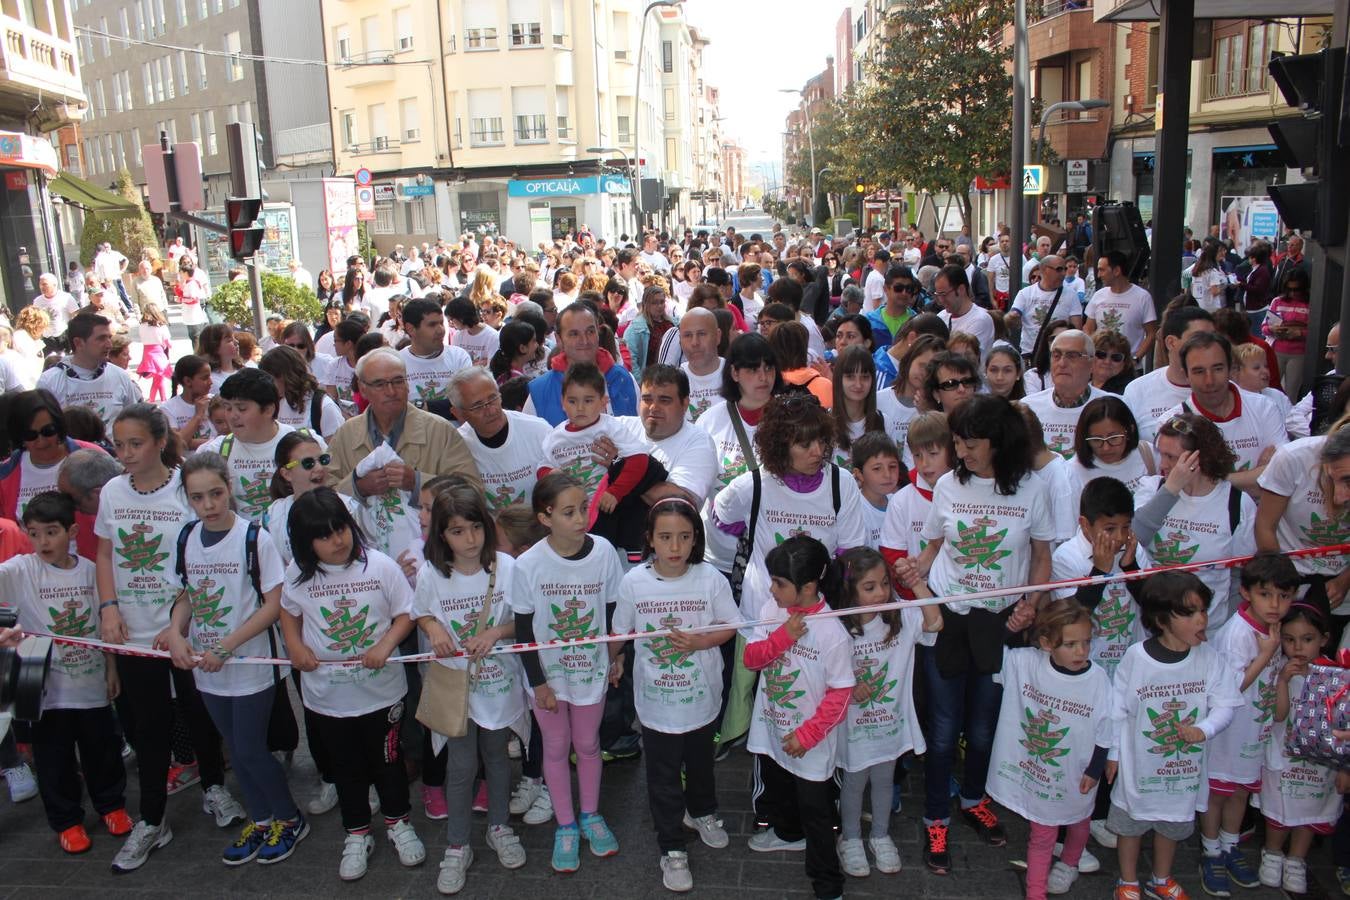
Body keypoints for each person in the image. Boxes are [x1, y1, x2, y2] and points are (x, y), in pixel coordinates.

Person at [904, 394, 1054, 874]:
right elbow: (933, 544)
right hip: (948, 618)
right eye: (957, 441)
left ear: (999, 442)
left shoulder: (1032, 489)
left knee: (986, 725)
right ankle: (934, 817)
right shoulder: (949, 484)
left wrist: (1032, 605)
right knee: (945, 730)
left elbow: (1042, 557)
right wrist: (916, 569)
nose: (959, 451)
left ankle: (973, 799)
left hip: (1001, 621)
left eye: (969, 443)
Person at [96, 405, 243, 873]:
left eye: (134, 443)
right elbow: (104, 553)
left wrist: (178, 625)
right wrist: (108, 608)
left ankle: (214, 787)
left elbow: (203, 557)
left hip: (188, 628)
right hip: (132, 629)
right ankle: (153, 818)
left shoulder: (187, 490)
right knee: (147, 725)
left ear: (160, 440)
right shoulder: (112, 491)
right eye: (118, 444)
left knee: (199, 713)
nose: (125, 454)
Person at [162, 452, 306, 866]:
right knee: (236, 750)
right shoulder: (187, 536)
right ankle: (260, 820)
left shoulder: (253, 537)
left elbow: (273, 603)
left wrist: (228, 646)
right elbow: (187, 593)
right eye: (197, 497)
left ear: (229, 489)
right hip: (207, 667)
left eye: (215, 493)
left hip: (248, 664)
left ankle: (288, 817)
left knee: (249, 749)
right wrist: (176, 633)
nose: (208, 504)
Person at [278, 488, 425, 881]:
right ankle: (357, 832)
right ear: (306, 544)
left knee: (389, 762)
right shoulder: (297, 573)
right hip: (328, 698)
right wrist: (294, 645)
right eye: (324, 536)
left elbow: (406, 614)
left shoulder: (378, 566)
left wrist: (385, 644)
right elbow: (287, 612)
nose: (337, 540)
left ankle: (398, 823)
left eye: (340, 528)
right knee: (346, 769)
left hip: (383, 694)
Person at [609, 499, 737, 893]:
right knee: (662, 777)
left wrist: (701, 642)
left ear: (696, 538)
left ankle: (703, 812)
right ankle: (671, 847)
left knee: (700, 765)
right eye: (665, 537)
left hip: (702, 698)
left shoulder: (710, 578)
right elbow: (620, 633)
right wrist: (613, 661)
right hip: (656, 703)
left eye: (684, 536)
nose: (675, 546)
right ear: (649, 539)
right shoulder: (634, 582)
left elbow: (731, 626)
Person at [412, 484, 528, 894]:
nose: (470, 539)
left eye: (476, 527)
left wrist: (496, 631)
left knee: (497, 756)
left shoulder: (507, 568)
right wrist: (434, 629)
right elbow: (421, 614)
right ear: (441, 534)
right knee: (461, 766)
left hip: (498, 685)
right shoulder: (431, 573)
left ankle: (499, 825)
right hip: (455, 687)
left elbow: (524, 621)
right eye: (457, 531)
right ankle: (458, 844)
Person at [0, 491, 130, 854]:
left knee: (102, 749)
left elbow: (106, 624)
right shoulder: (20, 570)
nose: (43, 541)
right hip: (43, 690)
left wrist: (111, 668)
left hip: (90, 683)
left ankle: (112, 805)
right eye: (35, 532)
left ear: (72, 531)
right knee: (52, 759)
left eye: (52, 532)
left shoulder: (91, 571)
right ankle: (67, 820)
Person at [510, 474, 624, 873]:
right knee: (556, 747)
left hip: (591, 671)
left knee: (588, 744)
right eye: (569, 512)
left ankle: (591, 814)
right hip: (548, 678)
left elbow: (613, 612)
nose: (581, 518)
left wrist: (616, 656)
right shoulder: (528, 565)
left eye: (583, 508)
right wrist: (538, 683)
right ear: (545, 517)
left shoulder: (606, 552)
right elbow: (523, 632)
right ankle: (566, 824)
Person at [1107, 570, 1243, 900]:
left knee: (1171, 824)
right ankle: (1127, 881)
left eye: (1203, 610)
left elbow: (1226, 704)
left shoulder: (1209, 660)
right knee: (1130, 825)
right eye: (1190, 613)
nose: (1201, 620)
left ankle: (1161, 878)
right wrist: (1112, 755)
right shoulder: (1136, 657)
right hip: (1138, 765)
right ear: (1161, 619)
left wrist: (1204, 729)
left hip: (1183, 772)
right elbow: (1117, 710)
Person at [742, 535, 854, 900]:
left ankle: (828, 883)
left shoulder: (833, 632)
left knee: (816, 811)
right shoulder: (772, 610)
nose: (772, 589)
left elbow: (841, 694)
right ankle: (788, 834)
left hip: (811, 744)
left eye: (780, 583)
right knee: (780, 788)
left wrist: (807, 737)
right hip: (773, 729)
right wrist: (783, 636)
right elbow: (752, 659)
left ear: (808, 587)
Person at [986, 599, 1112, 900]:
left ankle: (1070, 862)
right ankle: (1036, 892)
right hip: (1037, 771)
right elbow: (991, 654)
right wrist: (1011, 627)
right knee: (1042, 833)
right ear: (1045, 643)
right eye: (1070, 644)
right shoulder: (1026, 662)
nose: (1081, 652)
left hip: (1078, 771)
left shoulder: (1098, 680)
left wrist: (1095, 769)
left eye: (1086, 642)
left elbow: (1107, 729)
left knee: (1080, 820)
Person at [1195, 552, 1299, 896]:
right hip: (1229, 731)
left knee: (1240, 790)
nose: (1275, 604)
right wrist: (1267, 654)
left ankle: (1230, 845)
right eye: (1266, 594)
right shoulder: (1237, 634)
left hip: (1254, 729)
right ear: (1247, 593)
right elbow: (1232, 687)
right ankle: (1211, 851)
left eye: (1284, 596)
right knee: (1218, 793)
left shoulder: (1272, 628)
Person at [835, 547, 940, 879]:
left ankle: (880, 835)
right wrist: (850, 688)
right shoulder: (836, 627)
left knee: (883, 781)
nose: (881, 592)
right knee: (853, 783)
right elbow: (823, 672)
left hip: (889, 726)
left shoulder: (901, 617)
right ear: (849, 589)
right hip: (853, 727)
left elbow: (935, 621)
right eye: (869, 587)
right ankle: (850, 838)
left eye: (884, 583)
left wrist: (915, 582)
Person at [1132, 413, 1255, 626]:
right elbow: (1133, 539)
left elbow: (1240, 576)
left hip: (1210, 628)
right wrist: (1171, 490)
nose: (1163, 464)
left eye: (1171, 457)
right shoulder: (1152, 488)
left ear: (1198, 458)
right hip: (1156, 625)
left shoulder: (1236, 503)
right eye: (1161, 454)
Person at [1258, 597, 1341, 895]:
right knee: (1280, 806)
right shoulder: (1278, 668)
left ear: (1324, 639)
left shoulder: (1337, 676)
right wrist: (1282, 681)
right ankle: (1272, 852)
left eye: (1307, 640)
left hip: (1321, 763)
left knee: (1311, 808)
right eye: (1290, 640)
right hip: (1284, 755)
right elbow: (1279, 714)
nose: (1298, 648)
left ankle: (1297, 860)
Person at [326, 347, 482, 502]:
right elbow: (324, 494)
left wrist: (417, 482)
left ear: (408, 384)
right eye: (379, 384)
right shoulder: (346, 434)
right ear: (363, 389)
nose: (391, 391)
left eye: (398, 381)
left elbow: (472, 492)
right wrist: (358, 488)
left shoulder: (440, 431)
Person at [538, 362, 654, 544]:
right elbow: (543, 467)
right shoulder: (555, 435)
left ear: (603, 402)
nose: (580, 408)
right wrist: (549, 475)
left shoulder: (610, 427)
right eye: (572, 401)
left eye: (588, 400)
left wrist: (615, 492)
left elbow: (639, 459)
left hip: (604, 509)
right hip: (568, 513)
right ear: (562, 403)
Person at [1159, 331, 1285, 489]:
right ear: (1186, 375)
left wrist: (1210, 480)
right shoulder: (1171, 422)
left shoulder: (1264, 407)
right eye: (1199, 371)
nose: (1209, 380)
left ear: (1231, 370)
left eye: (1217, 369)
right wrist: (1256, 477)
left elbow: (1281, 473)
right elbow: (1179, 486)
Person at [198, 369, 322, 522]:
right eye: (227, 407)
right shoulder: (215, 452)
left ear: (269, 409)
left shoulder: (308, 443)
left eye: (242, 408)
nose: (232, 416)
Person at [0, 390, 107, 558]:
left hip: (90, 573)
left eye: (48, 431)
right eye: (31, 435)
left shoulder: (92, 457)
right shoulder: (6, 474)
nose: (41, 441)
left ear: (59, 425)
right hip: (31, 577)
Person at [525, 304, 638, 425]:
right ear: (558, 339)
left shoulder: (624, 378)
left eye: (590, 331)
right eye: (574, 334)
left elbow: (643, 435)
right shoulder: (540, 391)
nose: (584, 341)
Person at [1123, 307, 1215, 442]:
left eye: (1213, 338)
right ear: (1171, 342)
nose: (1209, 346)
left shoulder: (1225, 389)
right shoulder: (1137, 390)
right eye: (1198, 339)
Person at [37, 313, 143, 430]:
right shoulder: (50, 381)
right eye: (101, 338)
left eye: (109, 337)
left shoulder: (120, 376)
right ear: (78, 343)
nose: (109, 344)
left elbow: (133, 421)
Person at [1021, 330, 1114, 460]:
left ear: (1092, 364)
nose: (1062, 363)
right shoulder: (1028, 407)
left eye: (1072, 356)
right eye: (1056, 355)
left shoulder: (1112, 406)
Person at [1070, 396, 1155, 496]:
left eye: (1114, 438)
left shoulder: (1148, 454)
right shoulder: (1072, 472)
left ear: (1130, 431)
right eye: (1097, 440)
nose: (1106, 448)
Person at [1084, 252, 1158, 365]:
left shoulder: (1143, 297)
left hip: (1129, 368)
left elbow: (1151, 333)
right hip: (1101, 365)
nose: (1098, 275)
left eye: (1102, 270)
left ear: (1117, 271)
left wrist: (1136, 359)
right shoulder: (1098, 295)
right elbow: (1088, 329)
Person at [396, 298, 473, 406]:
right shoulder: (397, 364)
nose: (441, 330)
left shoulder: (458, 357)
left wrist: (424, 407)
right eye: (432, 325)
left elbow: (468, 402)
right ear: (411, 329)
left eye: (441, 323)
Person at [258, 346, 345, 440]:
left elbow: (336, 450)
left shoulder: (324, 406)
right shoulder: (275, 403)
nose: (266, 385)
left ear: (285, 376)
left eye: (270, 379)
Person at [1007, 254, 1079, 360]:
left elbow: (1076, 330)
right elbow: (1012, 315)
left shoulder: (1071, 295)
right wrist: (1011, 318)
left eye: (1065, 269)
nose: (1064, 273)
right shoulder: (1025, 293)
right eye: (1059, 269)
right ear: (1044, 270)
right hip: (1030, 355)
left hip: (1059, 356)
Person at [830, 346, 886, 468]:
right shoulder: (824, 422)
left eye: (865, 377)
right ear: (839, 379)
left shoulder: (884, 421)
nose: (858, 384)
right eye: (850, 377)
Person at [1263, 268, 1311, 400]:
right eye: (1289, 289)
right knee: (1270, 390)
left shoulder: (1310, 304)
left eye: (1297, 290)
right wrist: (1273, 329)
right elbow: (1264, 328)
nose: (1293, 293)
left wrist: (1300, 333)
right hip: (1276, 351)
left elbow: (1316, 331)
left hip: (1298, 354)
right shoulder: (1277, 302)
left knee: (1292, 393)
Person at [933, 264, 995, 361]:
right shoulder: (941, 317)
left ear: (961, 289)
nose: (941, 300)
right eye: (938, 295)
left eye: (944, 294)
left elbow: (963, 359)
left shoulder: (981, 319)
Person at [677, 308, 724, 422]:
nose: (695, 343)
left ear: (717, 336)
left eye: (702, 334)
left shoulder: (735, 375)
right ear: (680, 340)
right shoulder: (674, 380)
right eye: (688, 335)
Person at [161, 355, 215, 451]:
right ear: (188, 381)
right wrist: (198, 416)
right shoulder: (168, 409)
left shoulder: (215, 401)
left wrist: (190, 442)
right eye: (205, 378)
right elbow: (177, 444)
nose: (211, 382)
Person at [624, 285, 677, 382]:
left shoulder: (674, 323)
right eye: (654, 303)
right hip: (650, 379)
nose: (659, 306)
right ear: (646, 304)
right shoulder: (636, 328)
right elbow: (631, 359)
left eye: (662, 302)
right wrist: (641, 383)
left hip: (672, 378)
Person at [445, 296, 500, 369]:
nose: (450, 323)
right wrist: (479, 364)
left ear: (461, 318)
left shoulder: (492, 336)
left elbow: (491, 367)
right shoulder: (458, 336)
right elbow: (455, 364)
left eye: (451, 320)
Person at [137, 304, 173, 403]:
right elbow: (168, 343)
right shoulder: (161, 326)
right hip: (158, 352)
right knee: (159, 376)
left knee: (158, 378)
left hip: (147, 352)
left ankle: (162, 399)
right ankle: (154, 399)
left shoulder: (141, 326)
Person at [32, 272, 80, 337]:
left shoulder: (66, 297)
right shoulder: (37, 301)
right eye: (40, 284)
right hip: (47, 338)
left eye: (45, 284)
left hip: (64, 336)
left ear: (54, 285)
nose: (41, 287)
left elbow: (76, 316)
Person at [176, 258, 209, 347]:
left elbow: (194, 299)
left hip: (193, 313)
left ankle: (198, 354)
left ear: (186, 273)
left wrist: (181, 299)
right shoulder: (187, 283)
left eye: (181, 273)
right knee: (192, 335)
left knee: (195, 336)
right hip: (189, 313)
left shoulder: (192, 284)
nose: (180, 275)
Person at [1091, 330, 1136, 395]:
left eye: (1116, 357)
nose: (1107, 362)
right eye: (1101, 354)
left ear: (1125, 363)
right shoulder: (1078, 382)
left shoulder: (1128, 391)